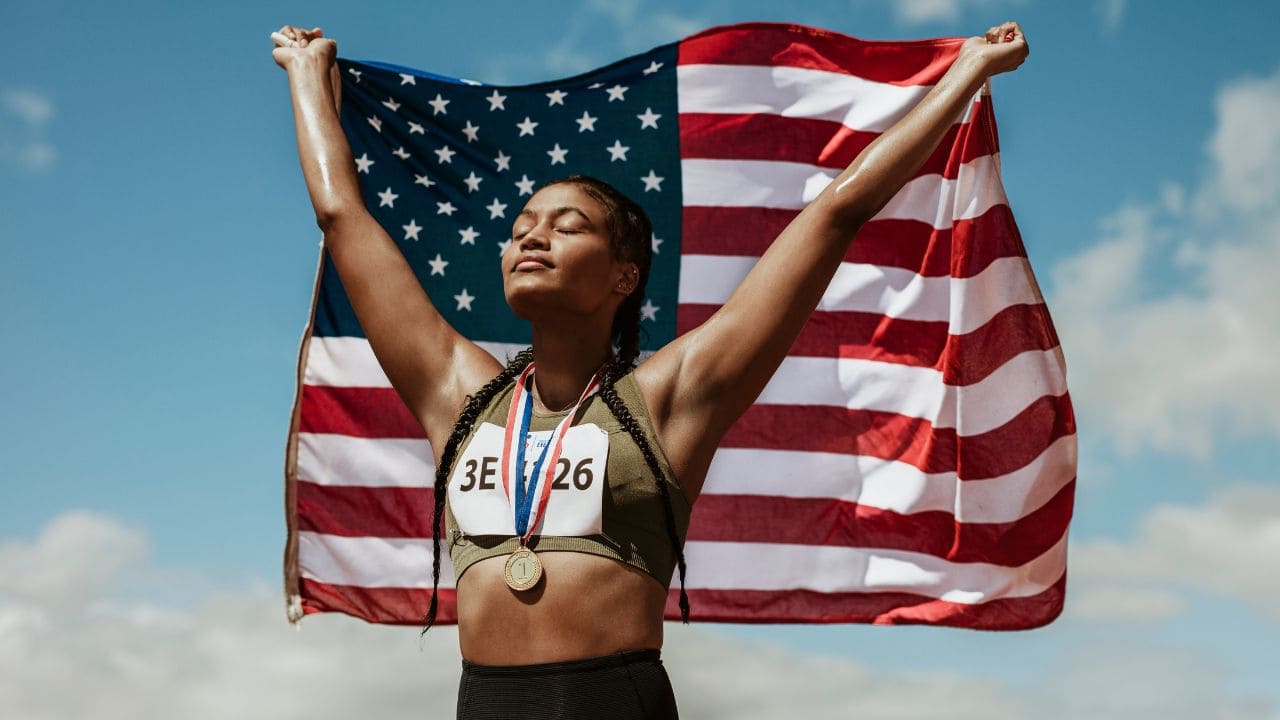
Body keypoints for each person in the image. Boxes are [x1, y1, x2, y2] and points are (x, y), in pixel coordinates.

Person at [271, 21, 1028, 719]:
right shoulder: (456, 393)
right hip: (484, 701)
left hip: (613, 698)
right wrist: (307, 75)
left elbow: (836, 211)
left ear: (624, 277)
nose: (532, 238)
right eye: (521, 228)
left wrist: (966, 75)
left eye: (567, 226)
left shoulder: (671, 395)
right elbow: (344, 217)